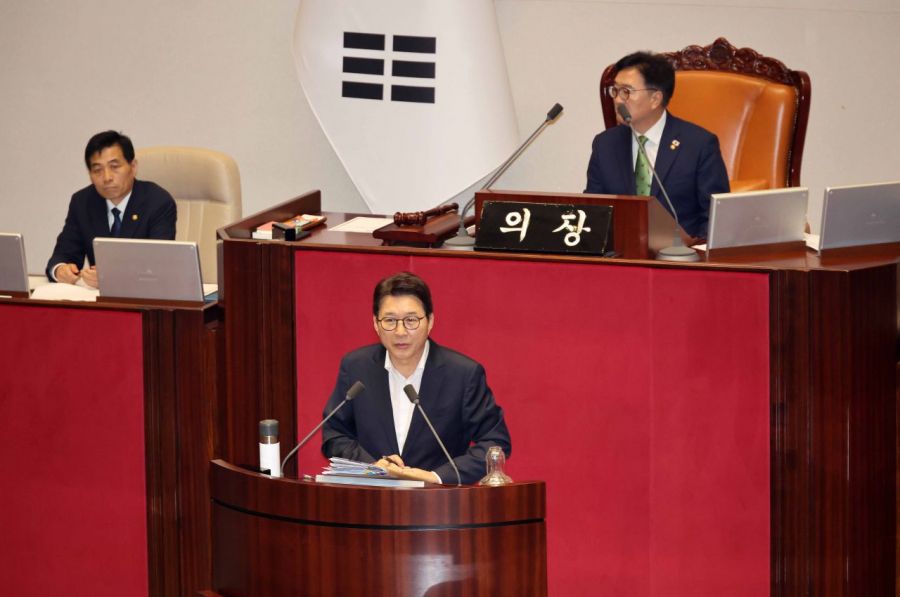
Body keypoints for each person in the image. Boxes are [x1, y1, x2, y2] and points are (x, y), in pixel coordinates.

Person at [321, 272, 511, 484]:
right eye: (390, 320)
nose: (400, 331)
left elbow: (495, 441)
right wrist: (372, 469)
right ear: (375, 323)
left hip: (440, 506)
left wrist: (436, 477)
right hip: (370, 503)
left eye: (411, 320)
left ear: (430, 321)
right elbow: (334, 434)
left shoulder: (463, 374)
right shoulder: (357, 367)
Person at [585, 51, 729, 241]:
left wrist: (695, 256)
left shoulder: (699, 144)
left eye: (626, 91)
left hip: (681, 259)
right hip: (620, 256)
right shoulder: (605, 145)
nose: (618, 99)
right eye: (615, 90)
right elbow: (594, 209)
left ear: (655, 99)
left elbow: (715, 218)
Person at [45, 130, 177, 287]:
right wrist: (60, 270)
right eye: (97, 170)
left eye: (114, 167)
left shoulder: (158, 202)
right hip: (99, 301)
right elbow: (64, 253)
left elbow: (158, 265)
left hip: (144, 301)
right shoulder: (82, 202)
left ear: (133, 167)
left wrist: (111, 278)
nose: (107, 177)